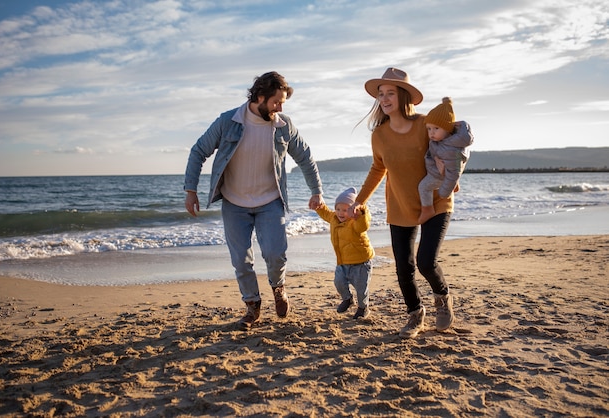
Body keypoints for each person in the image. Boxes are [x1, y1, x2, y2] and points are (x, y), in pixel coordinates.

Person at [184, 71, 324, 330]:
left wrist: (316, 190)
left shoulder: (284, 125)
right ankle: (252, 305)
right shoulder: (229, 121)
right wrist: (190, 190)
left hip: (270, 201)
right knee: (241, 260)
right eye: (276, 102)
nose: (280, 108)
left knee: (275, 253)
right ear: (260, 96)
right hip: (234, 203)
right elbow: (199, 151)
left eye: (283, 103)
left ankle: (278, 287)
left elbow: (305, 157)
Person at [351, 67, 473, 338]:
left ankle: (442, 298)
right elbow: (377, 169)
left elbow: (454, 145)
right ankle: (415, 313)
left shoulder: (424, 124)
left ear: (404, 96)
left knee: (426, 262)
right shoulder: (379, 135)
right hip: (401, 204)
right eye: (381, 94)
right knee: (403, 266)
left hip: (437, 200)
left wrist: (453, 175)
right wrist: (359, 201)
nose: (384, 99)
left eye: (390, 93)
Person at [315, 187, 375, 319]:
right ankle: (347, 299)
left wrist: (361, 211)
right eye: (338, 209)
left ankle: (363, 308)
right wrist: (318, 206)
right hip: (342, 262)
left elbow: (364, 225)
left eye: (345, 210)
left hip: (361, 263)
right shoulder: (334, 218)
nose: (341, 213)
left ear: (353, 210)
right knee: (339, 282)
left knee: (361, 289)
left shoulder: (356, 222)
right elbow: (325, 213)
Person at [418, 97, 473, 224]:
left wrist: (444, 193)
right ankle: (454, 185)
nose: (431, 133)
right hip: (442, 171)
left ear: (447, 129)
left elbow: (454, 173)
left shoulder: (452, 150)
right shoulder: (444, 141)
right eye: (429, 129)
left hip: (439, 176)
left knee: (423, 187)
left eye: (436, 128)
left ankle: (427, 209)